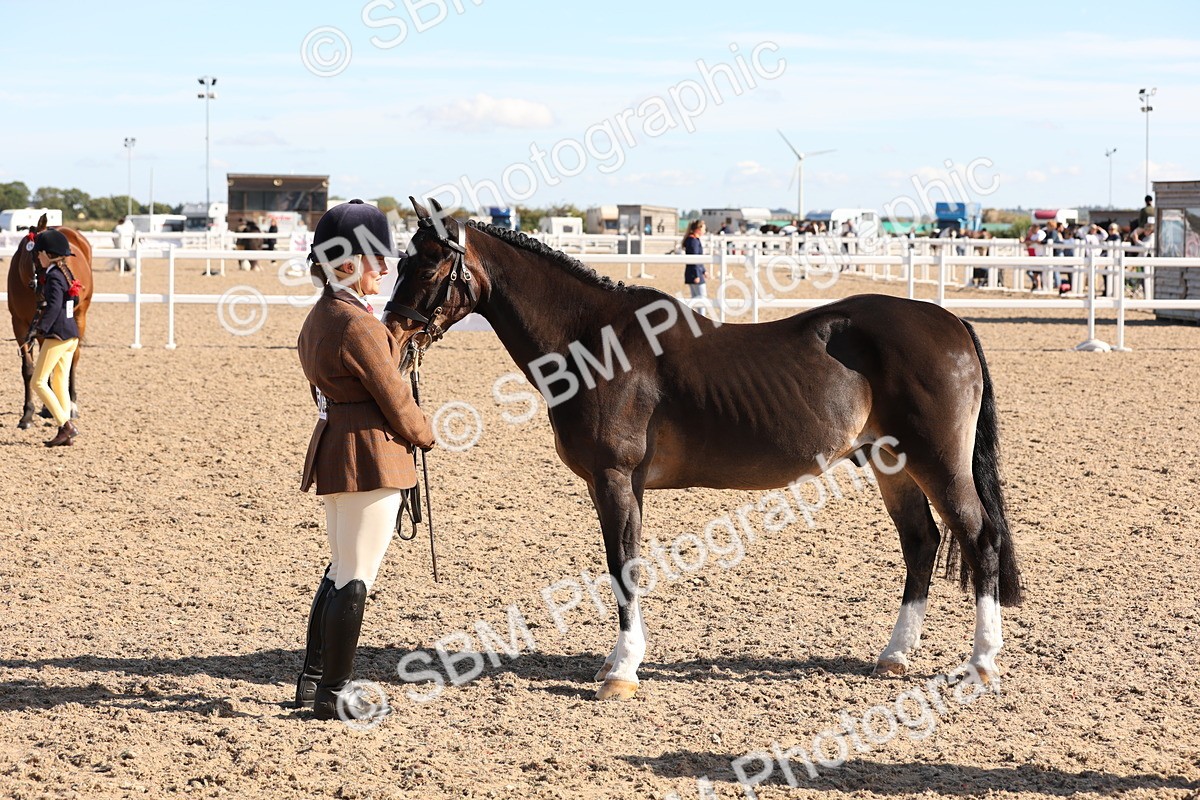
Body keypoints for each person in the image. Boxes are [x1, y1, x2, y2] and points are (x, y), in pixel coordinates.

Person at [295, 199, 435, 722]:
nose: (383, 269)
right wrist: (425, 434)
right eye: (376, 259)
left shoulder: (321, 317)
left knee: (338, 570)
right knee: (356, 576)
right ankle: (335, 693)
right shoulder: (356, 324)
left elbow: (360, 371)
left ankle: (312, 681)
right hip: (369, 456)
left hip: (336, 448)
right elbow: (395, 399)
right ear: (348, 262)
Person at [29, 229, 82, 447]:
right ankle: (64, 431)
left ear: (47, 254)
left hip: (58, 336)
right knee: (60, 380)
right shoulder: (65, 273)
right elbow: (75, 300)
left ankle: (66, 426)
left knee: (38, 382)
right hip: (71, 335)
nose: (38, 258)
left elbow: (52, 307)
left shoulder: (52, 276)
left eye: (39, 254)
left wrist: (39, 329)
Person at [682, 219, 706, 299]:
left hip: (694, 272)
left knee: (695, 298)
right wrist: (697, 274)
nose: (704, 231)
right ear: (698, 229)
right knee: (702, 298)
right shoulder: (693, 241)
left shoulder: (693, 240)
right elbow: (695, 259)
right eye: (703, 229)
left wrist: (703, 270)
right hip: (695, 273)